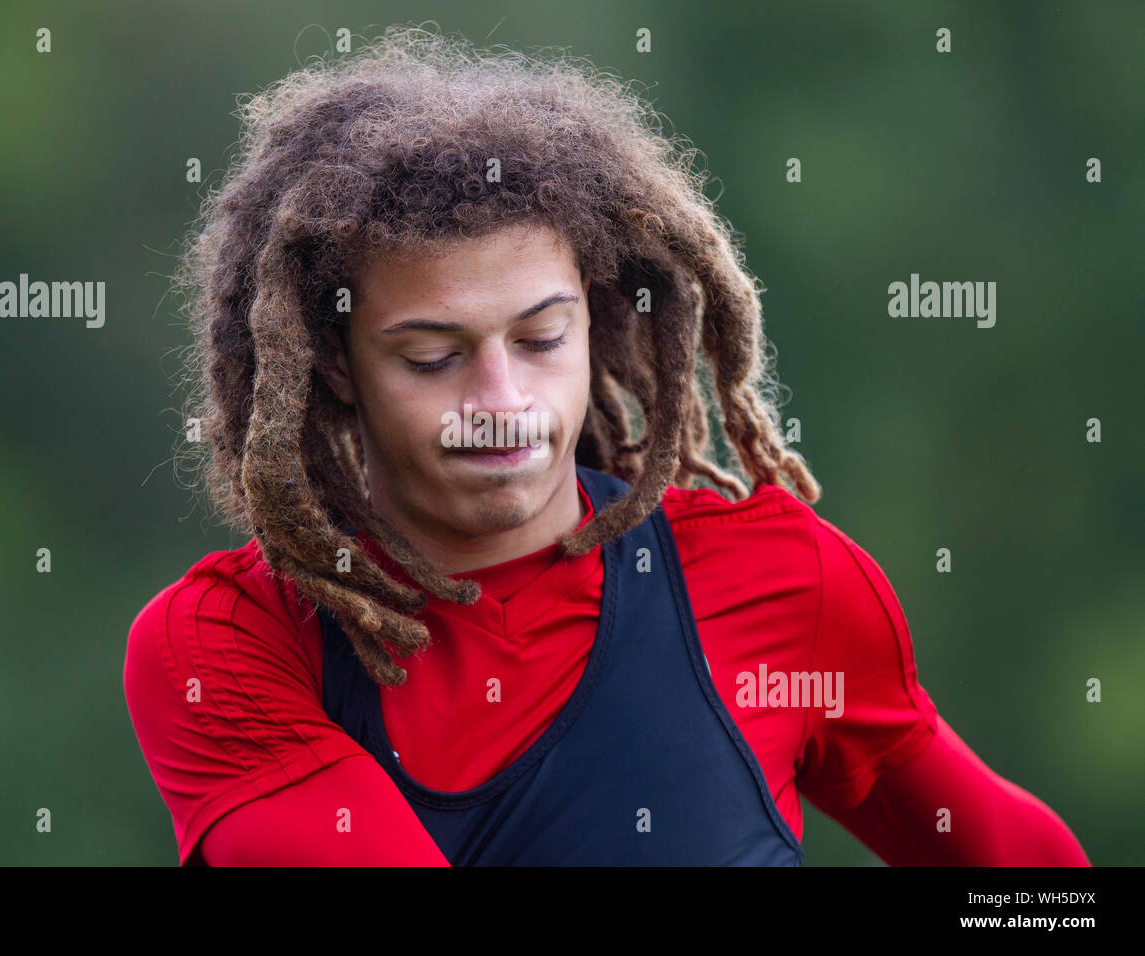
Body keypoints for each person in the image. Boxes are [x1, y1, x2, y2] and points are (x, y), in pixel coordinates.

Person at [123, 25, 1089, 866]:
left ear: (600, 323)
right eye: (431, 357)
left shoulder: (784, 586)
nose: (503, 402)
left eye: (542, 340)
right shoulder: (227, 646)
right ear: (334, 365)